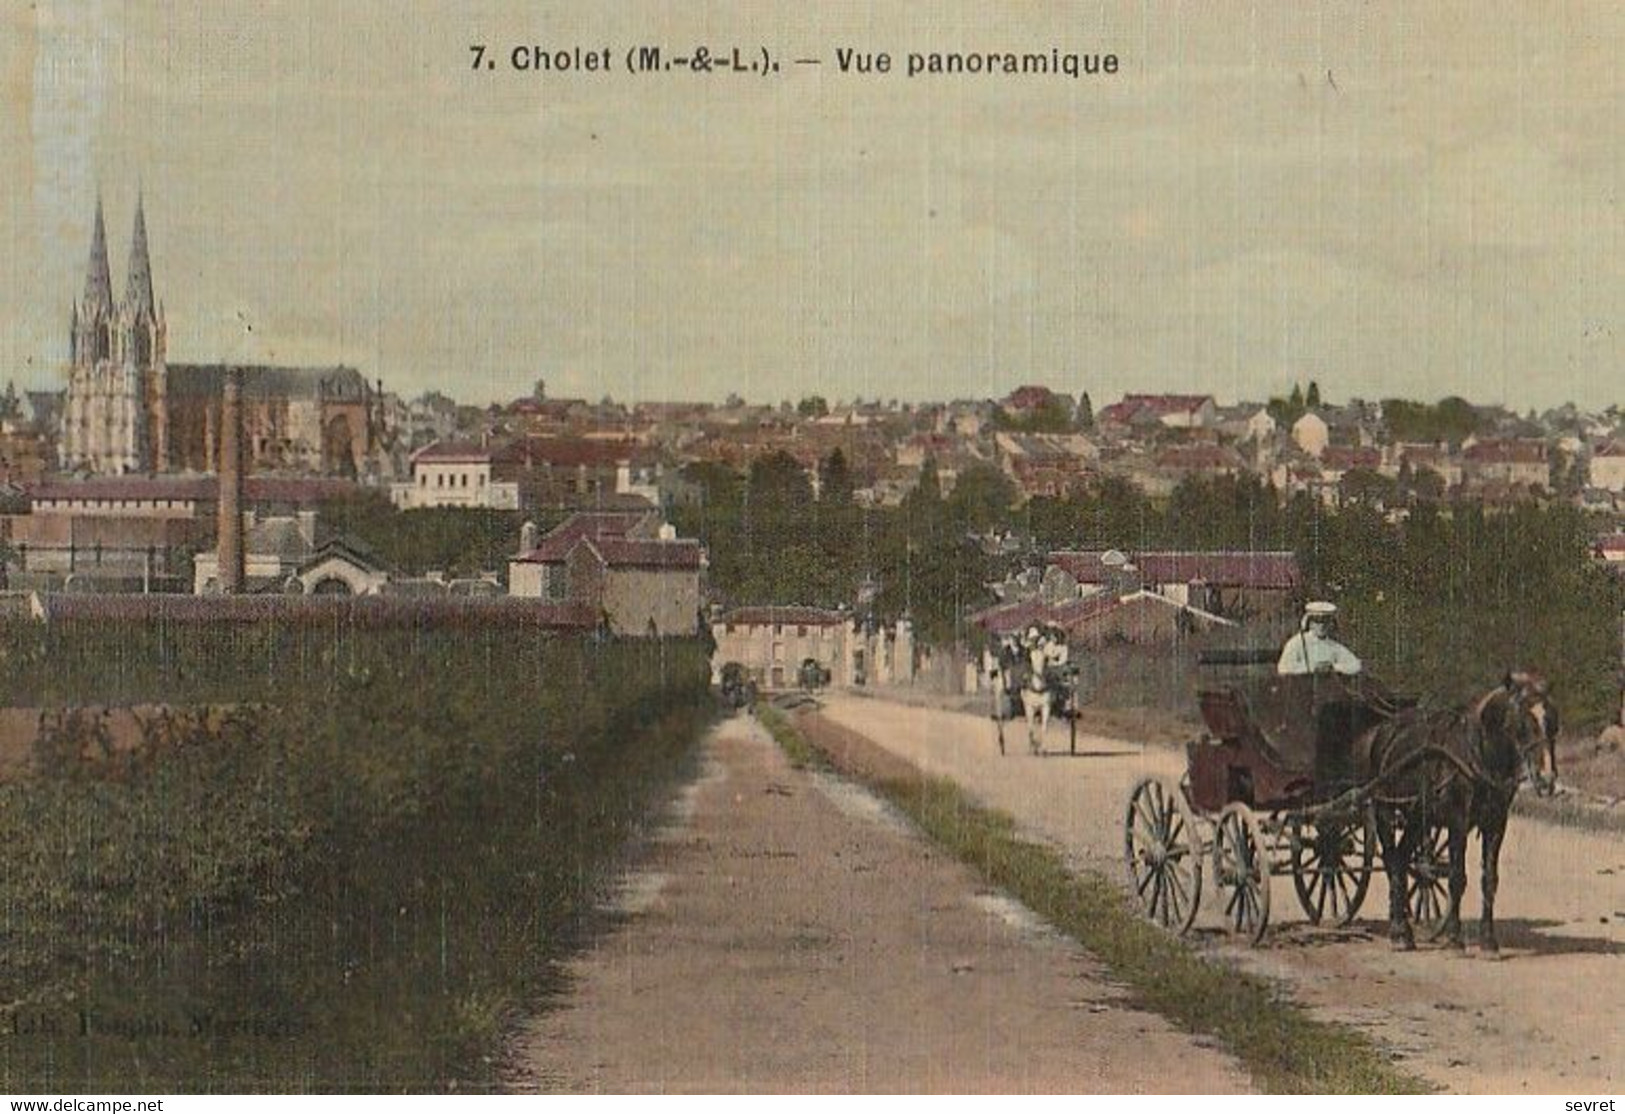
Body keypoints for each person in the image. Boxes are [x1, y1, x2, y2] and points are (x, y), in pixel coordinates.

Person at [1277, 601, 1362, 676]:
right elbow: (1283, 669)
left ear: (1330, 624)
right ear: (1310, 623)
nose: (1321, 626)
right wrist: (1312, 667)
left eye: (1325, 622)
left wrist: (1333, 667)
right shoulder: (1297, 643)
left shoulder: (1333, 646)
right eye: (1317, 621)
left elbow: (1355, 665)